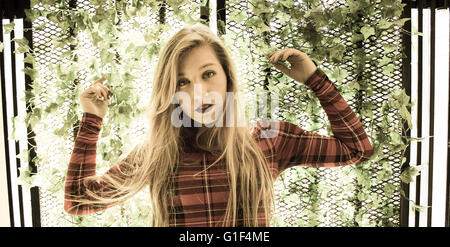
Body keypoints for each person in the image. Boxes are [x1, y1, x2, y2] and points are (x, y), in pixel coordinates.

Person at [64, 23, 373, 227]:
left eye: (208, 74)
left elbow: (356, 149)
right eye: (182, 81)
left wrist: (315, 80)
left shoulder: (270, 140)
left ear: (227, 77)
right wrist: (92, 119)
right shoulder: (158, 153)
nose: (198, 91)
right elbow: (77, 201)